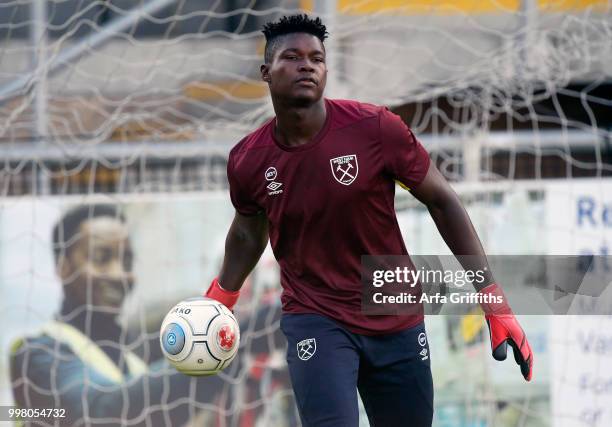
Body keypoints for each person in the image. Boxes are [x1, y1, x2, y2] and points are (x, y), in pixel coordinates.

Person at [203, 14, 534, 427]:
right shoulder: (248, 159)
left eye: (317, 58)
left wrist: (491, 297)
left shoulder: (374, 129)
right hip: (315, 316)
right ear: (266, 72)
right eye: (292, 56)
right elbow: (249, 230)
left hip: (391, 308)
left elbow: (443, 201)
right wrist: (223, 296)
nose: (307, 65)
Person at [10, 204, 291, 426]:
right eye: (101, 257)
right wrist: (228, 342)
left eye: (127, 260)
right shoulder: (36, 355)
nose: (119, 274)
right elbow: (97, 411)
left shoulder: (133, 358)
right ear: (63, 267)